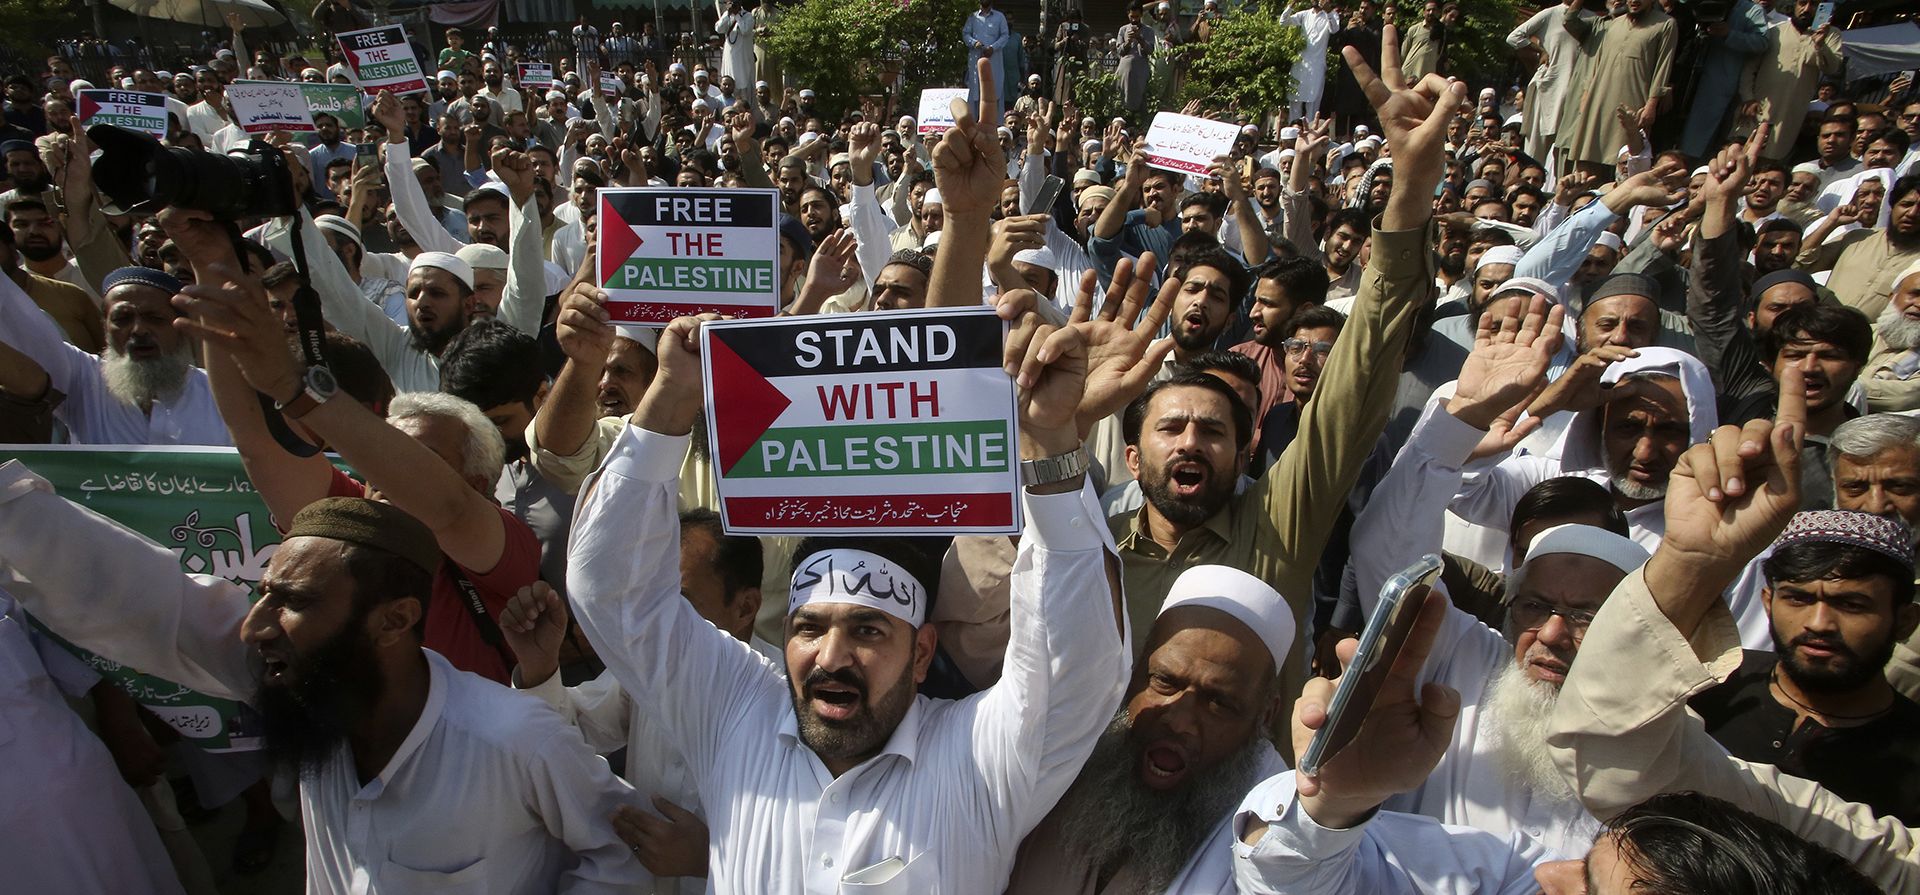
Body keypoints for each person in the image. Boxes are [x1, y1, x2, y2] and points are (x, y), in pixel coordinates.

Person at [562, 300, 1129, 890]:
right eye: (809, 628)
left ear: (921, 653)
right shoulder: (736, 714)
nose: (830, 658)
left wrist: (1048, 447)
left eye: (868, 630)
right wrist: (671, 397)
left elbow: (1075, 668)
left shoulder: (982, 761)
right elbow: (611, 592)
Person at [0, 480, 646, 891]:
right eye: (259, 595)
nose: (254, 626)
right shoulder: (311, 681)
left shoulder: (514, 738)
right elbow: (148, 598)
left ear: (394, 620)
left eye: (291, 600)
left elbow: (622, 854)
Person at [1232, 584, 1881, 894]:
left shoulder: (1671, 761)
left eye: (1584, 612)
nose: (1551, 871)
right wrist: (1339, 801)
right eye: (1535, 605)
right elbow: (1290, 876)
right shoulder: (1515, 875)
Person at [501, 511, 777, 892]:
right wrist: (540, 665)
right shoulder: (647, 668)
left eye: (677, 601)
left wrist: (709, 859)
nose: (652, 619)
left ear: (745, 607)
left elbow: (819, 848)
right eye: (648, 597)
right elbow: (565, 738)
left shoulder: (790, 700)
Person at [1004, 565, 1295, 892]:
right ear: (1136, 668)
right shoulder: (1066, 747)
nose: (1179, 721)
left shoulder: (1275, 831)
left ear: (1266, 714)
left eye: (1218, 702)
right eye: (1165, 682)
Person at [1688, 509, 1920, 825]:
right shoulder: (1706, 682)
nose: (1818, 623)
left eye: (1851, 604)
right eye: (1798, 599)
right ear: (1768, 603)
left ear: (1905, 622)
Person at [0, 265, 228, 445]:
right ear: (105, 327)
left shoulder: (221, 395)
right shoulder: (83, 379)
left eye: (155, 318)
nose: (139, 330)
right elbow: (14, 313)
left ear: (181, 326)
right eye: (123, 319)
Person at [1553, 0, 1677, 176]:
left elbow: (1663, 66)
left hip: (1634, 98)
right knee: (1588, 154)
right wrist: (1587, 93)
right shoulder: (1614, 23)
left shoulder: (1666, 24)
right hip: (1599, 97)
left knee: (1625, 156)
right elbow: (1597, 62)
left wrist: (1651, 104)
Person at [1740, 0, 1843, 161]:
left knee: (1770, 161)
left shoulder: (1831, 35)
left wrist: (1820, 45)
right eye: (1802, 3)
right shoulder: (1775, 32)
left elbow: (1832, 68)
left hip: (1791, 114)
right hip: (1758, 108)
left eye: (1814, 5)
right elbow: (1749, 69)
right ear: (1794, 5)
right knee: (1740, 154)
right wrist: (1748, 98)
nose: (1807, 9)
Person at [1505, 0, 1585, 161]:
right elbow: (1514, 37)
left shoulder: (1592, 19)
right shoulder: (1550, 14)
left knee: (1566, 154)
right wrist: (1540, 50)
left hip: (1576, 90)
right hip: (1548, 87)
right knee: (1535, 151)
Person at [1863, 261, 1920, 411]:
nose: (1919, 304)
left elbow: (1906, 396)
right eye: (1915, 294)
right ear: (1892, 297)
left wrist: (1837, 384)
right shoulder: (1854, 332)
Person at [1284, 0, 1341, 123]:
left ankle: (1310, 134)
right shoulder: (1304, 14)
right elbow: (1283, 21)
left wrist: (1329, 11)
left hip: (1317, 65)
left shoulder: (1330, 15)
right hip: (1300, 64)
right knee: (1295, 100)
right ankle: (1293, 133)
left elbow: (1334, 29)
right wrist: (1291, 6)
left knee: (1313, 102)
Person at [963, 1, 1010, 122]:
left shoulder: (1000, 17)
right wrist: (974, 43)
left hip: (994, 59)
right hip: (975, 59)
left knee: (994, 89)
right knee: (975, 91)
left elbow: (1005, 35)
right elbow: (965, 34)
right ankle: (974, 122)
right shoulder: (973, 17)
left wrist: (993, 48)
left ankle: (996, 124)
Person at [1117, 5, 1155, 118]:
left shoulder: (1148, 30)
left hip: (1140, 69)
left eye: (1137, 16)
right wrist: (1128, 42)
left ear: (1141, 15)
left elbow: (1150, 50)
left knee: (1140, 97)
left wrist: (1140, 39)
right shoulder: (1123, 30)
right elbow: (1120, 51)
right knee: (1123, 96)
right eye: (1132, 16)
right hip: (1125, 69)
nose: (1134, 20)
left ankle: (1140, 124)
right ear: (1128, 15)